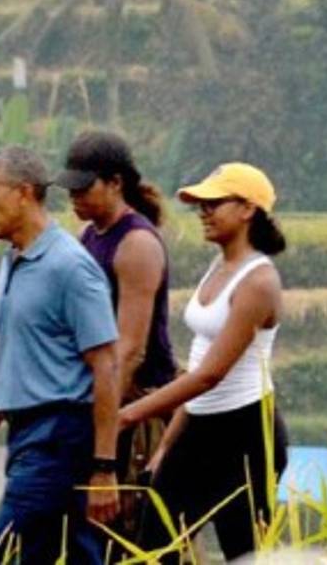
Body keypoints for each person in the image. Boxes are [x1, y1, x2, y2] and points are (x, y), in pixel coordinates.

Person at [0, 145, 121, 564]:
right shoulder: (13, 261)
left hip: (58, 436)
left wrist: (104, 467)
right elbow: (6, 364)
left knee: (4, 555)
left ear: (24, 193)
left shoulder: (70, 267)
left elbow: (107, 366)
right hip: (25, 434)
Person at [118, 162, 289, 563]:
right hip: (199, 428)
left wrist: (127, 415)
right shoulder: (218, 266)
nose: (204, 212)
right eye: (201, 204)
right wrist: (168, 446)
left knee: (243, 553)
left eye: (214, 203)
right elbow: (197, 365)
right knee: (155, 547)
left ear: (248, 209)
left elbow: (209, 375)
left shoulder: (259, 281)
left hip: (245, 435)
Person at [53, 130, 177, 538]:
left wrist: (101, 428)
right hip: (102, 396)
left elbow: (131, 349)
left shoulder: (136, 243)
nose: (75, 198)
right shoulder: (90, 236)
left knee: (130, 530)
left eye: (84, 188)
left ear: (116, 184)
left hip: (135, 404)